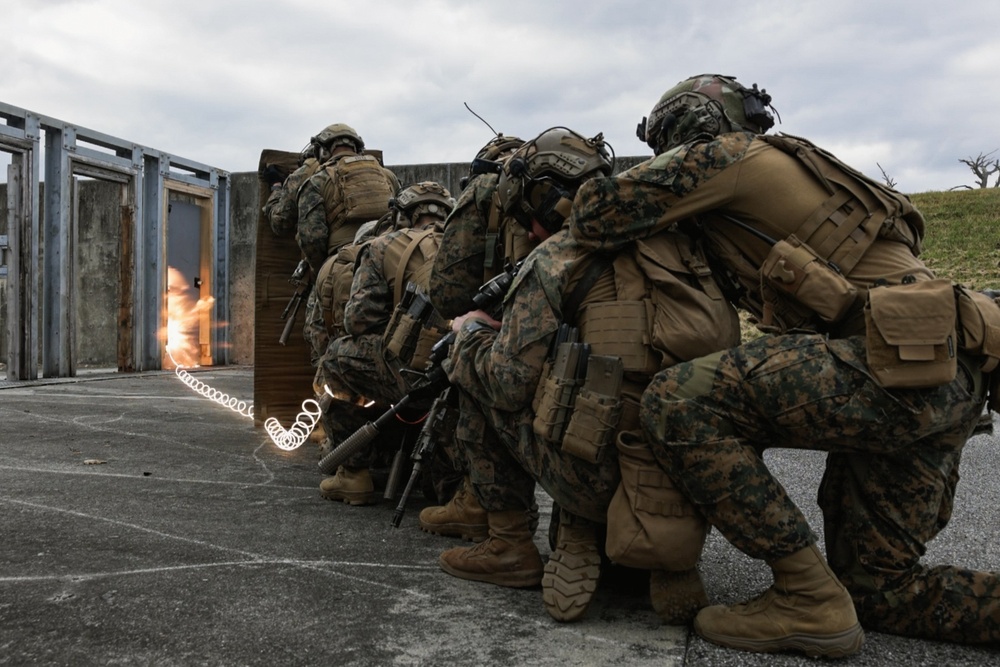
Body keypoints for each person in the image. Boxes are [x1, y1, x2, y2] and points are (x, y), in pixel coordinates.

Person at [569, 72, 1000, 656]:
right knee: (879, 591)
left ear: (689, 123)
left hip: (882, 368)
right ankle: (833, 602)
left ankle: (804, 595)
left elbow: (595, 213)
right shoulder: (809, 172)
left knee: (679, 399)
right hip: (947, 371)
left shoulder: (727, 156)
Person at [427, 126, 741, 623]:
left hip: (598, 469)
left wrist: (470, 335)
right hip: (701, 473)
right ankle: (638, 541)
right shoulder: (684, 245)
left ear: (549, 199)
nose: (529, 231)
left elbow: (507, 382)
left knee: (476, 375)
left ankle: (511, 545)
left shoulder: (555, 256)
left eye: (530, 214)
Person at [318, 182, 456, 504]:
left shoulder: (383, 246)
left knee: (336, 359)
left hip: (414, 377)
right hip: (461, 374)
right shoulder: (465, 250)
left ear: (405, 216)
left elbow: (357, 320)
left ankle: (353, 475)